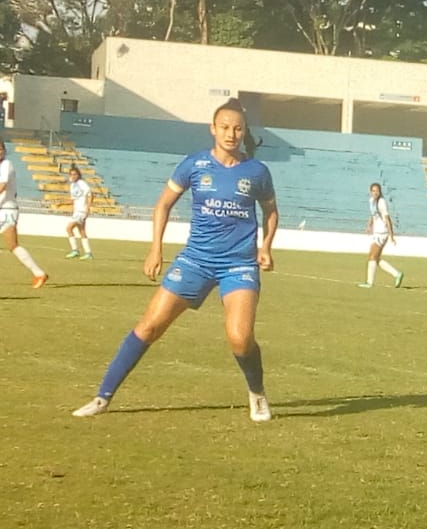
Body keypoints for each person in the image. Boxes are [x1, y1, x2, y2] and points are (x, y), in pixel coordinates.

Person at [72, 98, 279, 422]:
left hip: (238, 264)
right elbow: (163, 205)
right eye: (224, 127)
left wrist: (265, 245)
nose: (231, 133)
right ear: (213, 129)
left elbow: (270, 211)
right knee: (149, 326)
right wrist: (156, 248)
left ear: (244, 132)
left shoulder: (256, 171)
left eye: (238, 128)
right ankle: (102, 397)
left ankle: (257, 394)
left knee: (240, 338)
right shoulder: (193, 165)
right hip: (195, 260)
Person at [0, 141, 49, 288]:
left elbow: (2, 186)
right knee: (13, 246)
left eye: (1, 149)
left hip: (7, 210)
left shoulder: (6, 165)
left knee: (13, 245)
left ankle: (39, 273)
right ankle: (39, 273)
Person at [358, 182, 403, 288]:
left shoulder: (381, 202)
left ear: (380, 191)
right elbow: (373, 215)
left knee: (372, 256)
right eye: (373, 191)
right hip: (376, 232)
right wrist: (369, 225)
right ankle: (397, 274)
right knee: (376, 258)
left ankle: (369, 283)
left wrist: (391, 235)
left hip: (382, 233)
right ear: (370, 191)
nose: (375, 193)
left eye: (377, 191)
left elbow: (387, 219)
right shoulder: (371, 201)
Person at [62, 166, 95, 260]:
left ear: (78, 175)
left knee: (69, 228)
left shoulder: (82, 183)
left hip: (82, 211)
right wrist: (61, 202)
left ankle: (75, 250)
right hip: (77, 211)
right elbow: (73, 200)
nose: (73, 176)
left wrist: (88, 208)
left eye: (75, 174)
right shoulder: (72, 185)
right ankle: (88, 253)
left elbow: (91, 195)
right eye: (71, 174)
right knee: (82, 231)